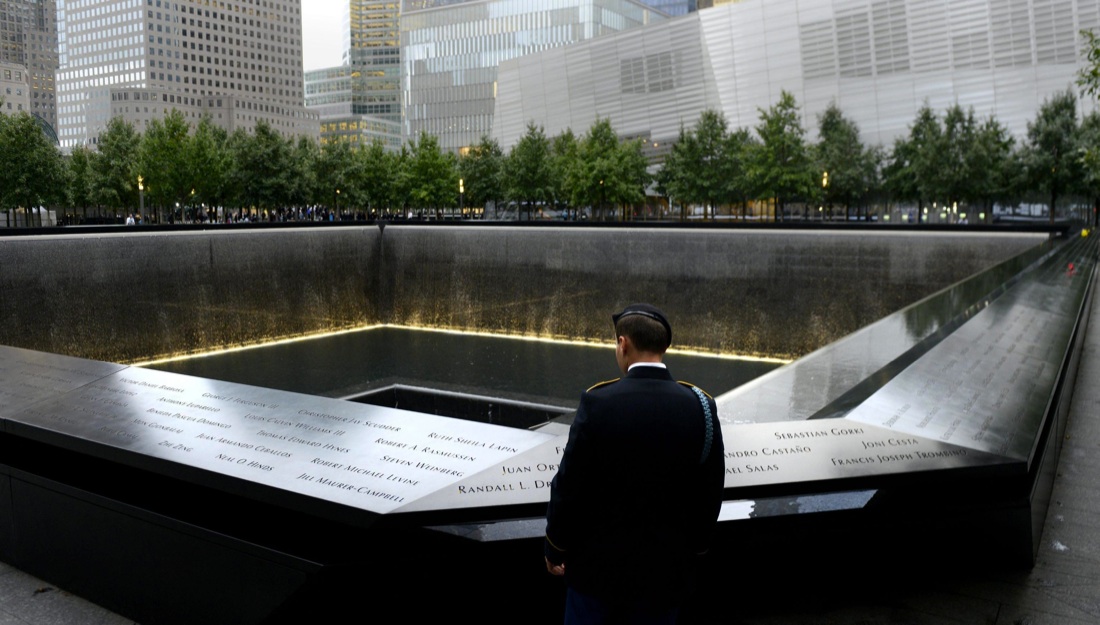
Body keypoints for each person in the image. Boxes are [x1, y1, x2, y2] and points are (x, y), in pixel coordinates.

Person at [544, 303, 725, 624]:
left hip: (596, 575)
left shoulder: (599, 401)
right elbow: (709, 491)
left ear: (623, 343)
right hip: (665, 576)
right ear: (664, 347)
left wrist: (555, 547)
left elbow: (569, 485)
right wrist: (695, 550)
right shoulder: (701, 406)